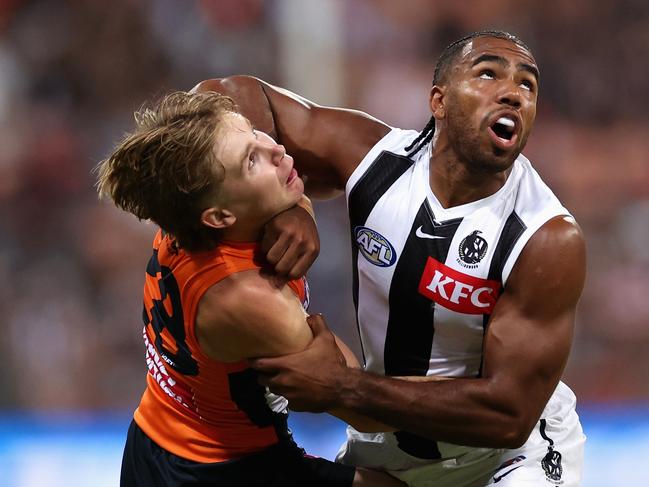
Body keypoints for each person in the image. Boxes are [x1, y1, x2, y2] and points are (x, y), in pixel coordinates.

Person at [192, 30, 587, 486]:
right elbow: (225, 95)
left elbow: (508, 413)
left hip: (511, 457)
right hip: (389, 452)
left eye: (527, 86)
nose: (513, 95)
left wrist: (344, 387)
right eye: (488, 74)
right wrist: (289, 205)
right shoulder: (375, 160)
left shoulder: (545, 237)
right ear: (438, 101)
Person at [95, 91, 405, 487]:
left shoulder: (185, 212)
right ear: (220, 216)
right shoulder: (253, 300)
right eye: (251, 160)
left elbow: (231, 91)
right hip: (221, 469)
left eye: (255, 134)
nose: (275, 148)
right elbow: (372, 412)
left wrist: (300, 207)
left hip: (154, 436)